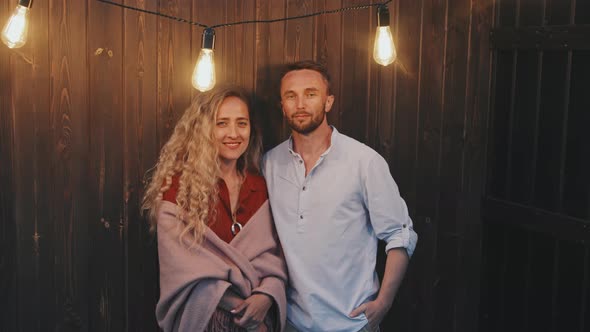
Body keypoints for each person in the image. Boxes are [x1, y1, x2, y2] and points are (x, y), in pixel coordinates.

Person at [262, 60, 418, 332]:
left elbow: (400, 234)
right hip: (290, 324)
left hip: (352, 325)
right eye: (291, 95)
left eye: (310, 94)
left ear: (328, 101)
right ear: (282, 105)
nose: (300, 104)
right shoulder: (269, 164)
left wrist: (384, 303)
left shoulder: (364, 162)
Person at [142, 86, 287, 332]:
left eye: (242, 123)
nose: (233, 133)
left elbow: (277, 256)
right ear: (203, 129)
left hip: (261, 314)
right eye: (222, 123)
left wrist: (267, 295)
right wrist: (242, 307)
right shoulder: (178, 189)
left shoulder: (260, 186)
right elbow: (183, 268)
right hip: (207, 319)